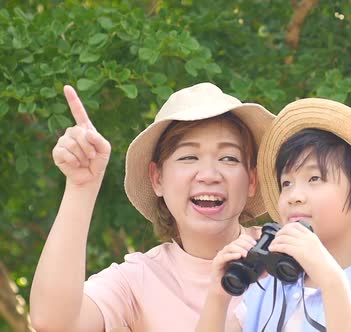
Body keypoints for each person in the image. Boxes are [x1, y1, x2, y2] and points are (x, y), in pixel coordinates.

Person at [30, 82, 275, 331]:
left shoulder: (286, 251)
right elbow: (54, 322)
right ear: (157, 178)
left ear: (252, 180)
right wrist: (81, 186)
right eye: (188, 157)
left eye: (229, 158)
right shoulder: (139, 280)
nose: (209, 174)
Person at [197, 97, 351, 332]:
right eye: (286, 183)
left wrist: (330, 280)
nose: (293, 196)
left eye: (314, 179)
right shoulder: (268, 285)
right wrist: (218, 295)